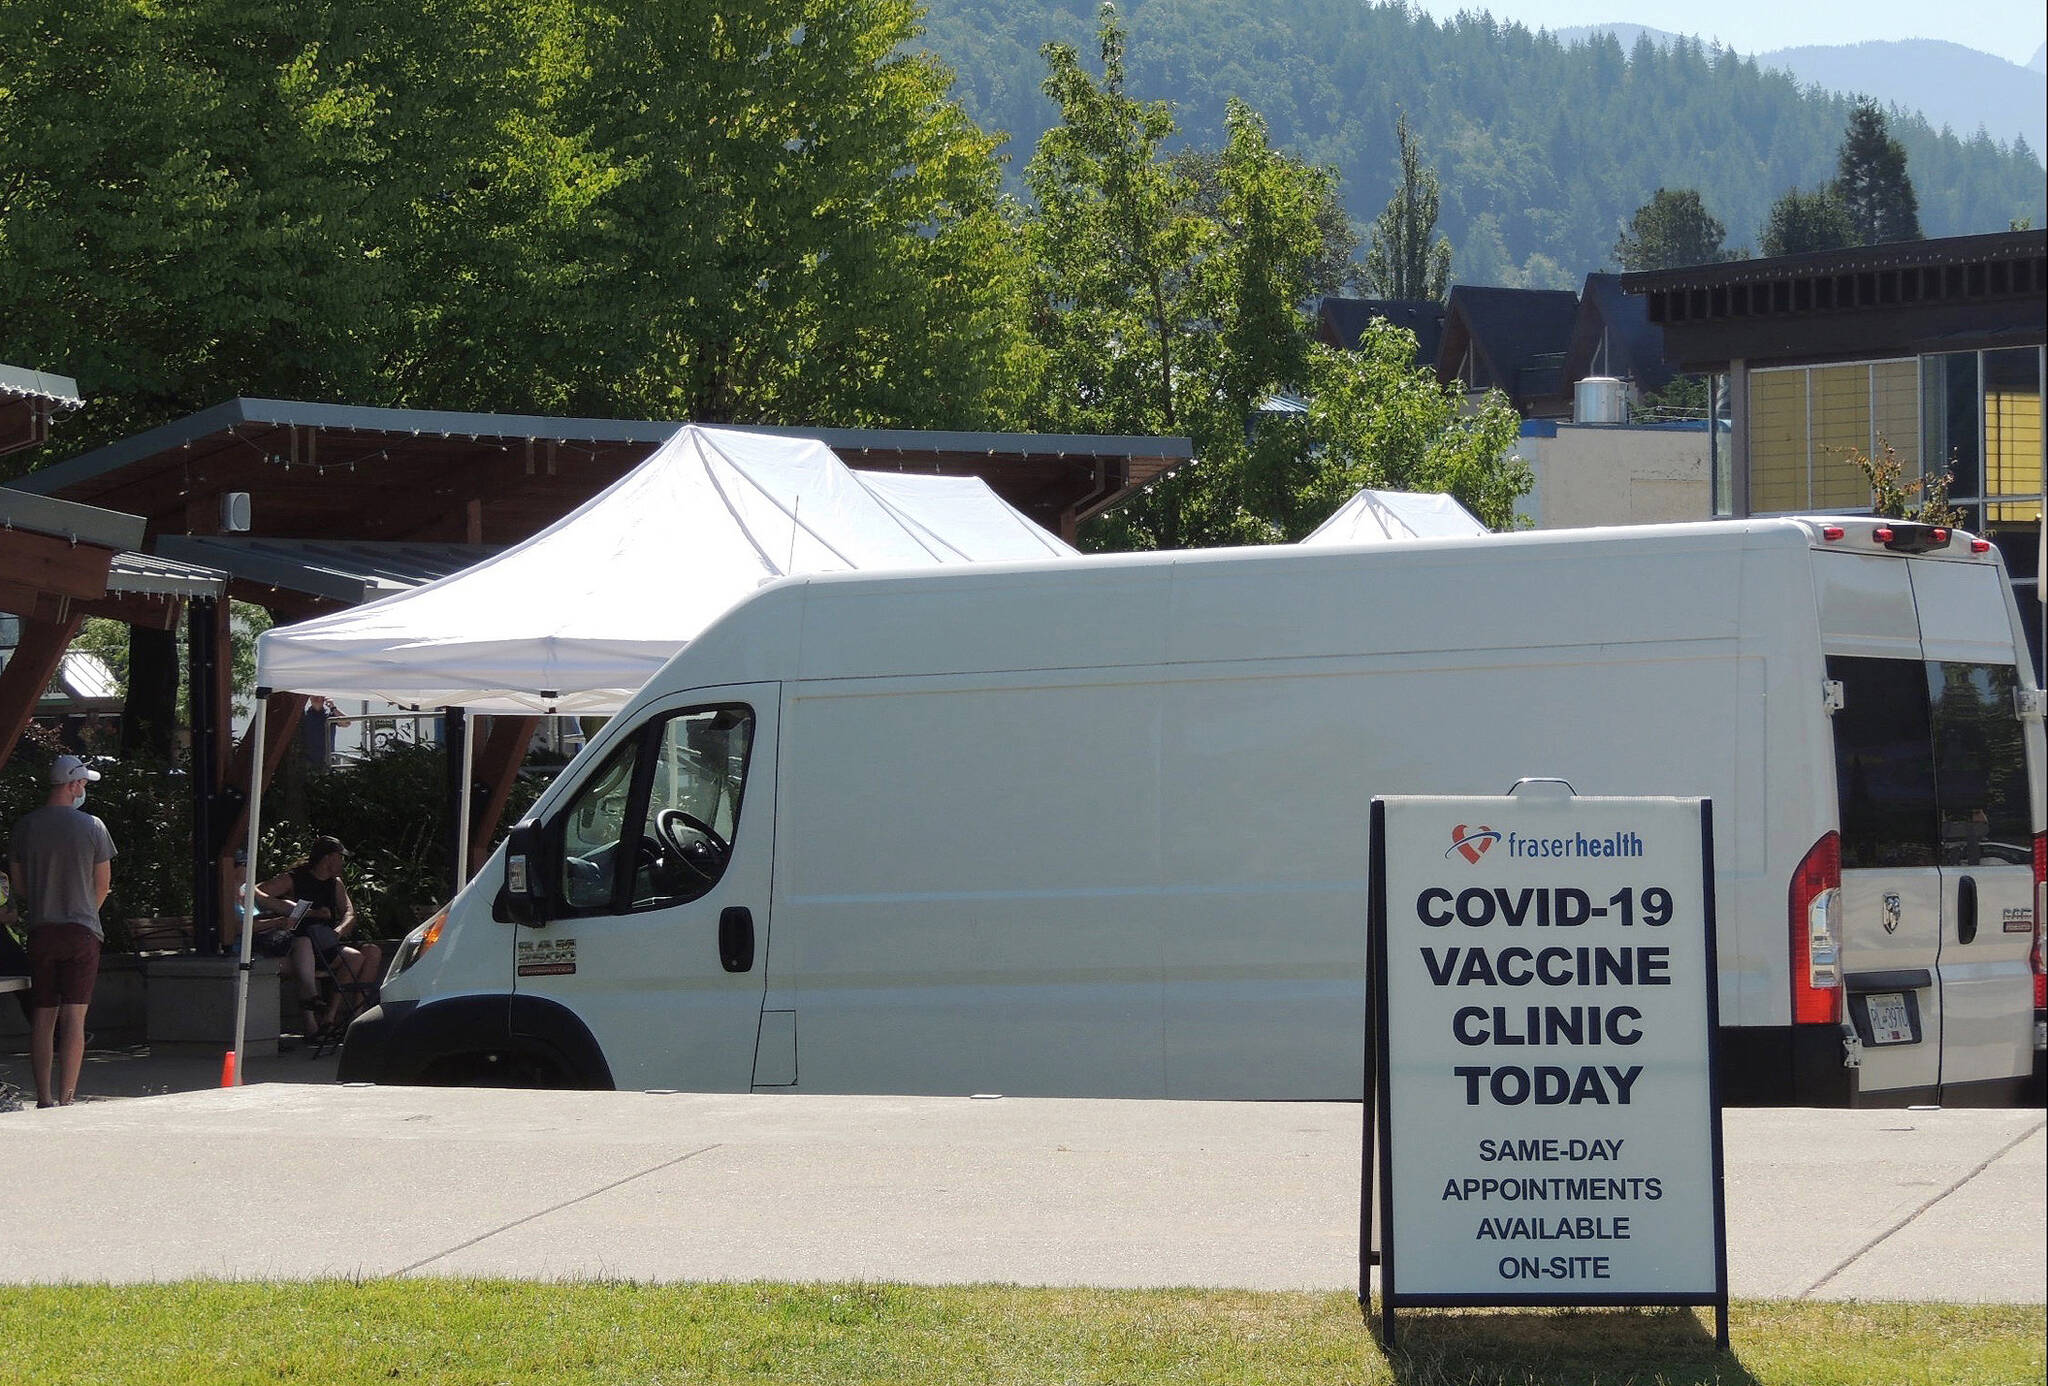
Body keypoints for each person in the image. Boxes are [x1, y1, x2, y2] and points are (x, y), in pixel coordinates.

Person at [6, 754, 116, 1107]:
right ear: (71, 785)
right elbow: (102, 884)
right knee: (74, 1018)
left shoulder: (25, 827)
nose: (84, 789)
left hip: (41, 930)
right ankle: (68, 1097)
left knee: (43, 1016)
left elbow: (20, 888)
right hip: (82, 931)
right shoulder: (93, 827)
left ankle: (43, 1097)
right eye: (82, 783)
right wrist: (85, 911)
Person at [259, 836, 382, 1039]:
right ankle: (318, 1022)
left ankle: (334, 1018)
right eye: (340, 858)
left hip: (325, 942)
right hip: (298, 941)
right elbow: (257, 893)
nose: (342, 863)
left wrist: (339, 931)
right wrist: (290, 910)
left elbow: (349, 913)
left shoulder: (336, 884)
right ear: (329, 858)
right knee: (340, 955)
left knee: (363, 954)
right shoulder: (294, 878)